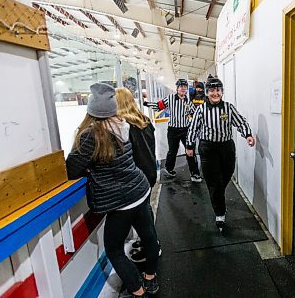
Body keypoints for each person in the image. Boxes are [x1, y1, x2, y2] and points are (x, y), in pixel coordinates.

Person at [66, 83, 159, 298]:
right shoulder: (122, 124)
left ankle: (138, 291)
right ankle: (150, 278)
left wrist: (89, 167)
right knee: (149, 237)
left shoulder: (91, 135)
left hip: (121, 202)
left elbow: (71, 169)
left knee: (114, 250)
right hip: (140, 190)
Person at [186, 78, 256, 232]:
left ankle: (218, 196)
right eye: (212, 90)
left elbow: (240, 122)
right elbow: (193, 128)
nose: (215, 93)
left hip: (226, 148)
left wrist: (248, 135)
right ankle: (219, 214)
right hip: (208, 149)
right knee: (214, 183)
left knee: (225, 176)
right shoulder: (201, 109)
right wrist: (189, 145)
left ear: (222, 92)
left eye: (218, 90)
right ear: (207, 93)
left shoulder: (229, 108)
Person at [115, 87, 161, 263]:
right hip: (149, 171)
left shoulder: (125, 125)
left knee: (141, 215)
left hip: (137, 177)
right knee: (144, 211)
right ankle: (147, 242)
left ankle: (152, 246)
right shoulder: (144, 120)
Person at [144, 79, 202, 182]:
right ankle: (169, 169)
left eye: (185, 86)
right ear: (177, 88)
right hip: (173, 130)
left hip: (186, 130)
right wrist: (146, 104)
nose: (183, 88)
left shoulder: (188, 101)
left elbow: (195, 114)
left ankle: (195, 173)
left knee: (190, 151)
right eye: (181, 86)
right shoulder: (170, 98)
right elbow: (158, 106)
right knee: (172, 151)